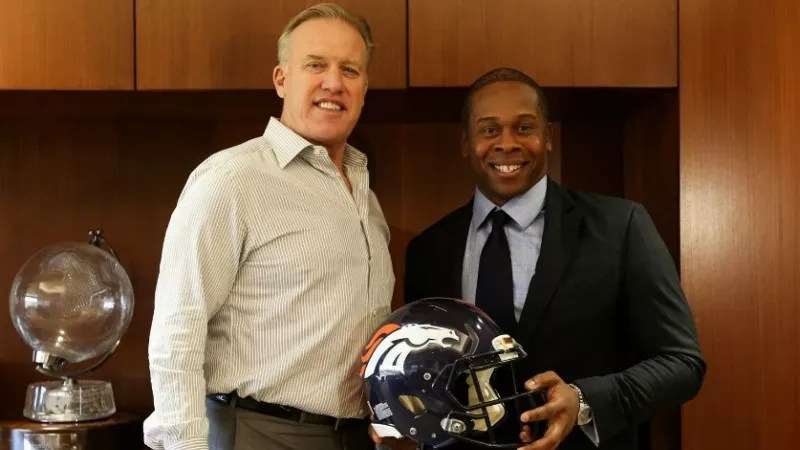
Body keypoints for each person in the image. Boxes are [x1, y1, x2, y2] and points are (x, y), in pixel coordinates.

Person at [402, 68, 706, 450]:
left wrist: (584, 400)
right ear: (466, 141)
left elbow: (682, 363)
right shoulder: (428, 251)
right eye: (489, 130)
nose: (507, 143)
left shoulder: (621, 227)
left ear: (548, 136)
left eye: (524, 128)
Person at [143, 4, 395, 450]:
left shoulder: (365, 198)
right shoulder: (231, 180)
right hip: (257, 433)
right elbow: (177, 328)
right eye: (315, 65)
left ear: (364, 88)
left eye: (349, 70)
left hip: (353, 437)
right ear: (281, 79)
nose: (333, 83)